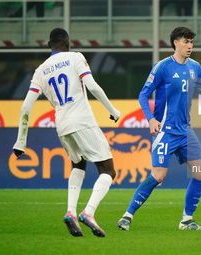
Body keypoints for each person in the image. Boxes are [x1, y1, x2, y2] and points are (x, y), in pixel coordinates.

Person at [117, 27, 201, 231]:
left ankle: (186, 220)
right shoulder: (162, 67)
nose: (190, 46)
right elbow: (143, 95)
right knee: (158, 176)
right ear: (176, 43)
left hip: (185, 131)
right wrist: (151, 119)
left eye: (191, 42)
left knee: (200, 174)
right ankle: (127, 216)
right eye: (186, 41)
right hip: (165, 131)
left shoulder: (195, 67)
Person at [12, 28, 120, 237]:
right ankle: (88, 212)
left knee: (78, 165)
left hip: (61, 125)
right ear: (68, 43)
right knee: (108, 171)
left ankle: (70, 211)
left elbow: (25, 107)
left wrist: (20, 142)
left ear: (48, 45)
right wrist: (113, 111)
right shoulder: (76, 57)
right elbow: (92, 86)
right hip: (82, 120)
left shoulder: (41, 70)